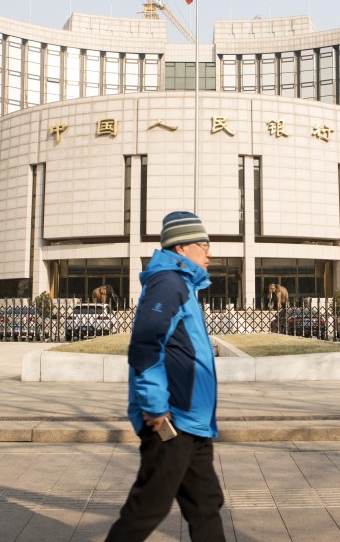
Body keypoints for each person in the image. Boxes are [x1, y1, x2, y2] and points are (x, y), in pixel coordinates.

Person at [106, 211, 225, 542]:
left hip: (193, 421)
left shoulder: (182, 284)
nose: (210, 252)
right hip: (171, 419)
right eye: (204, 244)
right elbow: (146, 343)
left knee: (205, 504)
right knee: (148, 507)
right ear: (182, 247)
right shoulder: (168, 282)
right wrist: (156, 406)